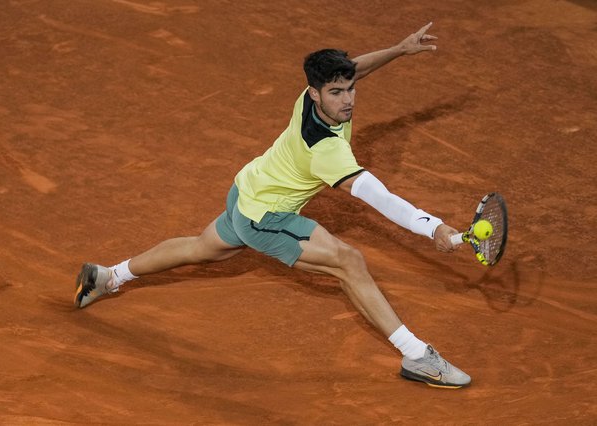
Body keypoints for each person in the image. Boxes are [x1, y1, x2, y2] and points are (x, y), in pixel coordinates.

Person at [74, 22, 471, 388]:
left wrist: (399, 50)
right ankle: (416, 355)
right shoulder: (326, 150)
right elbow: (378, 196)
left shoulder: (310, 97)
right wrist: (432, 226)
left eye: (350, 89)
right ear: (316, 93)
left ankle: (110, 276)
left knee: (201, 247)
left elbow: (354, 69)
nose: (348, 100)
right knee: (349, 262)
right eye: (337, 92)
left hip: (245, 190)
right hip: (265, 217)